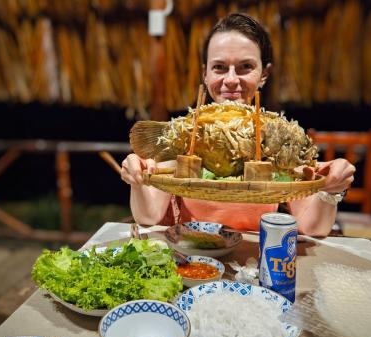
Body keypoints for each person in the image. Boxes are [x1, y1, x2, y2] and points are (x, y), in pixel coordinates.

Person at [121, 13, 355, 235]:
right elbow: (149, 216)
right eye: (219, 67)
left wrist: (331, 189)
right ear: (205, 74)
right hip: (193, 261)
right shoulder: (188, 135)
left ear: (264, 74)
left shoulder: (277, 138)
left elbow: (313, 228)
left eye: (245, 67)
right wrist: (137, 179)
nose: (231, 80)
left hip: (256, 262)